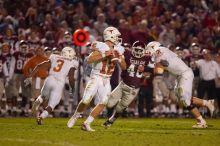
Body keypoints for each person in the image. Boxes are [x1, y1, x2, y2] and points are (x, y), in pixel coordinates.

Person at [67, 26, 126, 131]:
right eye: (116, 36)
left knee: (103, 102)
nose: (118, 38)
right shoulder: (101, 46)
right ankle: (76, 115)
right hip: (96, 76)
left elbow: (124, 67)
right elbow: (89, 60)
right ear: (110, 36)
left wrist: (120, 59)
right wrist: (104, 54)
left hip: (107, 79)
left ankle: (87, 123)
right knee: (85, 100)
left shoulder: (118, 50)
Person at [145, 41, 215, 128]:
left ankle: (202, 122)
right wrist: (146, 69)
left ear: (153, 47)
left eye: (149, 50)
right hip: (180, 75)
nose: (148, 53)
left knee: (185, 99)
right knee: (181, 98)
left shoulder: (159, 51)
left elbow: (159, 71)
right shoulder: (163, 51)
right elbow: (156, 67)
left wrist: (145, 69)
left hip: (184, 74)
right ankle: (207, 103)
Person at [24, 47, 78, 124]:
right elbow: (71, 77)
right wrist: (72, 88)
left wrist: (30, 76)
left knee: (43, 96)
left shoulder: (54, 57)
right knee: (52, 104)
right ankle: (41, 117)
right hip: (59, 83)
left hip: (49, 79)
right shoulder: (73, 62)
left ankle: (38, 101)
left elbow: (39, 66)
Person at [103, 41, 151, 127]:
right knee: (109, 104)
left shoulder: (147, 58)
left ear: (144, 51)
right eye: (136, 50)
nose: (138, 52)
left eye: (140, 51)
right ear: (132, 49)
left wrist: (144, 71)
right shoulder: (128, 54)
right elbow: (118, 48)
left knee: (120, 107)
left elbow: (150, 72)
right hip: (123, 84)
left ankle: (111, 120)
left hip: (134, 89)